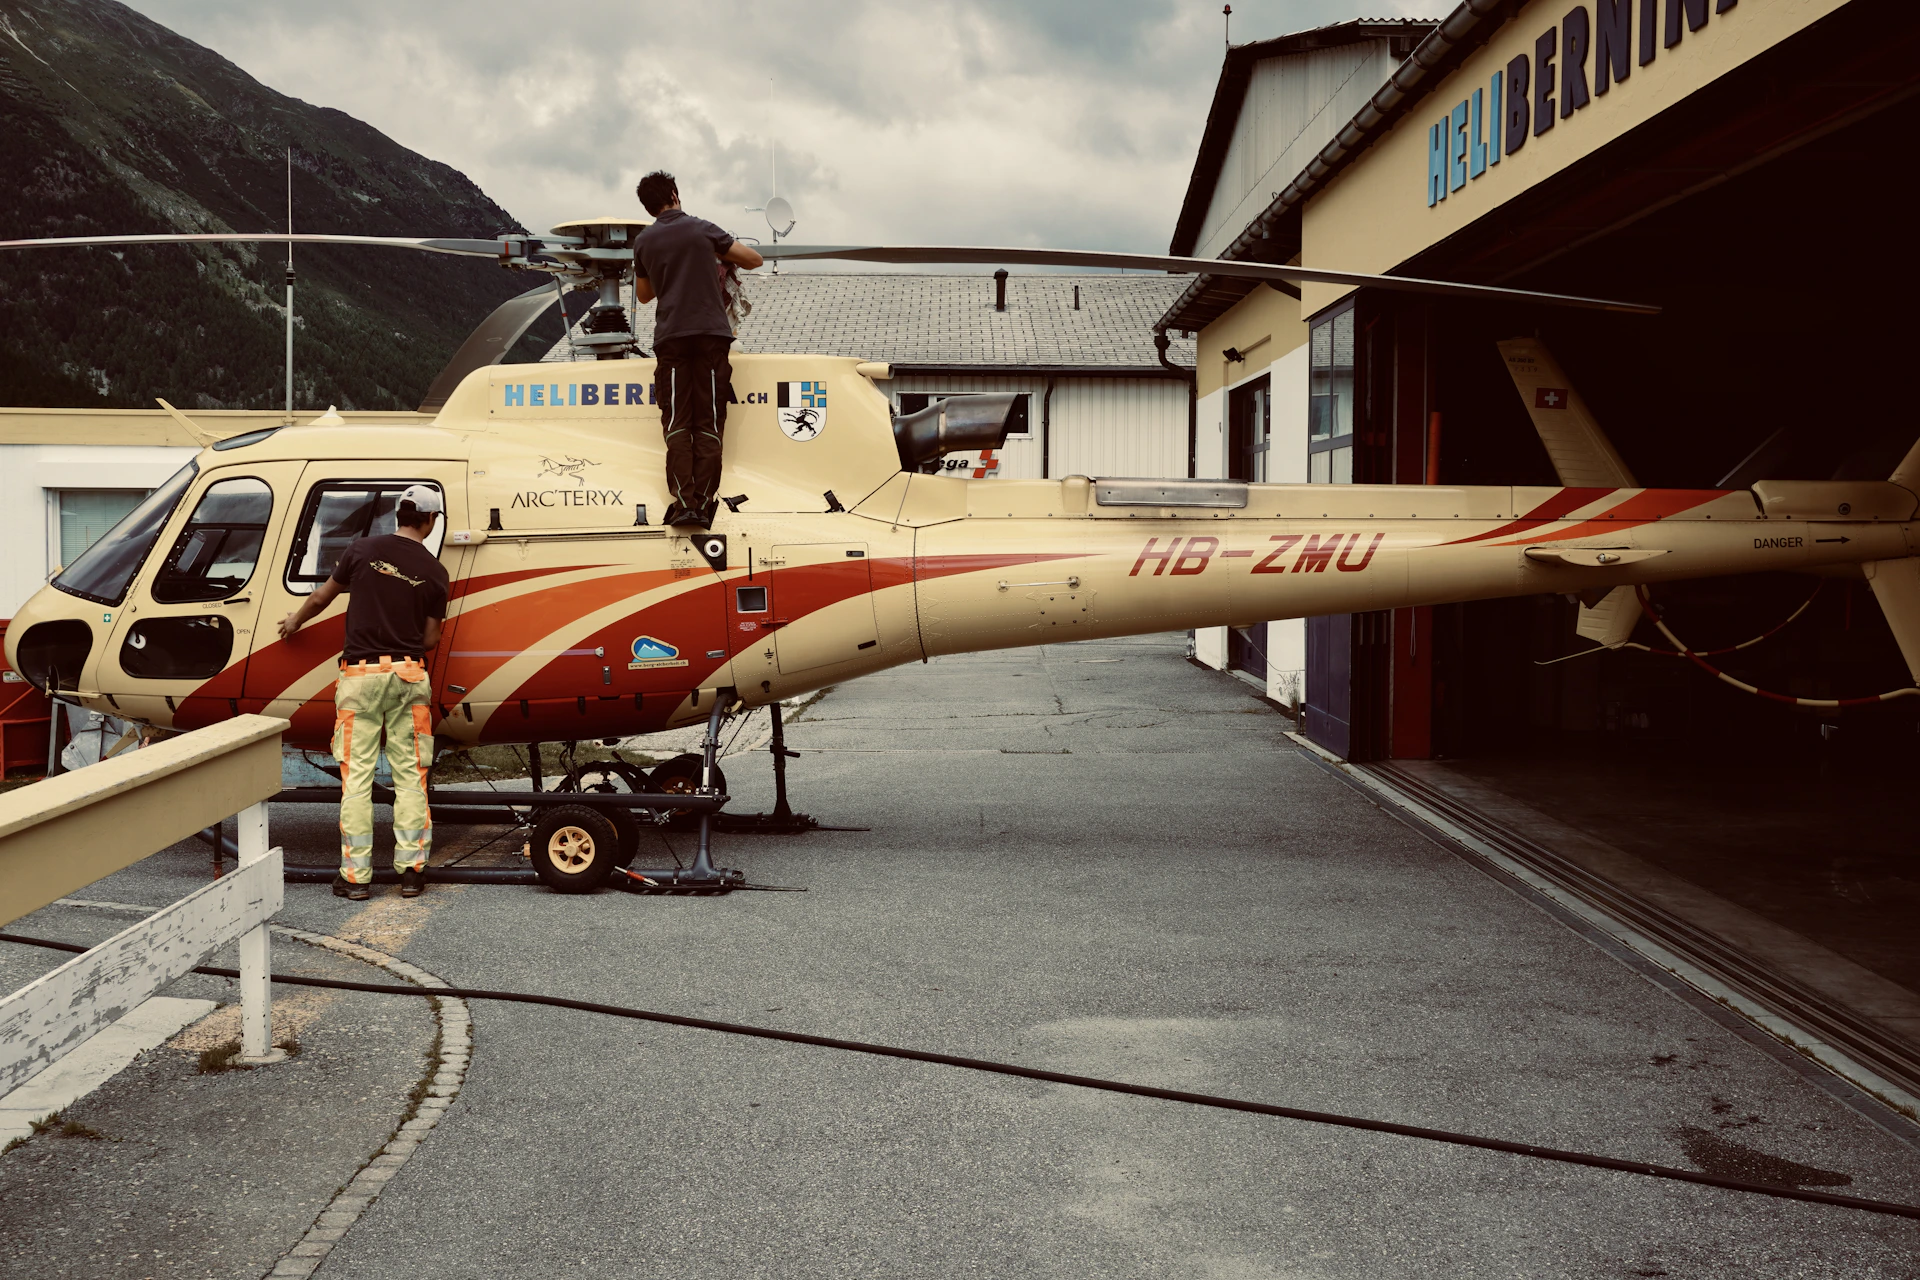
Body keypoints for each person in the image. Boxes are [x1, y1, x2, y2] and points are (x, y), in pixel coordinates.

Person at [277, 485, 450, 900]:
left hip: (359, 677)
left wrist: (293, 623)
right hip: (409, 676)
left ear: (398, 515)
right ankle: (411, 873)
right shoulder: (436, 571)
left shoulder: (360, 550)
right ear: (429, 520)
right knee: (411, 777)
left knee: (356, 780)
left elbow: (320, 598)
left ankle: (356, 879)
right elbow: (429, 638)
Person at [633, 170, 764, 529]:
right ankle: (704, 504)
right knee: (707, 420)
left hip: (671, 339)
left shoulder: (643, 243)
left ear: (649, 208)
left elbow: (644, 296)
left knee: (677, 422)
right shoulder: (704, 230)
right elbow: (754, 260)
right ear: (674, 194)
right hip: (710, 336)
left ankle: (683, 502)